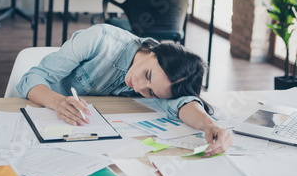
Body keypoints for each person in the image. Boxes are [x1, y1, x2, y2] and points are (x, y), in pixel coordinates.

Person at [17, 24, 232, 156]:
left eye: (151, 93)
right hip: (44, 116)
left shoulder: (162, 82)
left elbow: (181, 103)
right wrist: (58, 102)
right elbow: (31, 78)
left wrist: (210, 125)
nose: (138, 87)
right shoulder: (99, 39)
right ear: (153, 51)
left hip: (86, 136)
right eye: (147, 75)